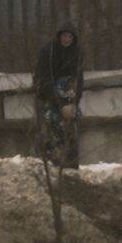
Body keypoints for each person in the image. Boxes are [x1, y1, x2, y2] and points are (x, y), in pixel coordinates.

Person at [32, 21, 84, 166]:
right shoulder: (48, 52)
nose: (67, 39)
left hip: (69, 99)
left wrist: (74, 103)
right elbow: (45, 80)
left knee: (71, 136)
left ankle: (71, 167)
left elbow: (79, 80)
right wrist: (60, 104)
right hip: (48, 98)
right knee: (51, 135)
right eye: (64, 36)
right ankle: (53, 166)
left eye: (70, 36)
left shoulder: (77, 52)